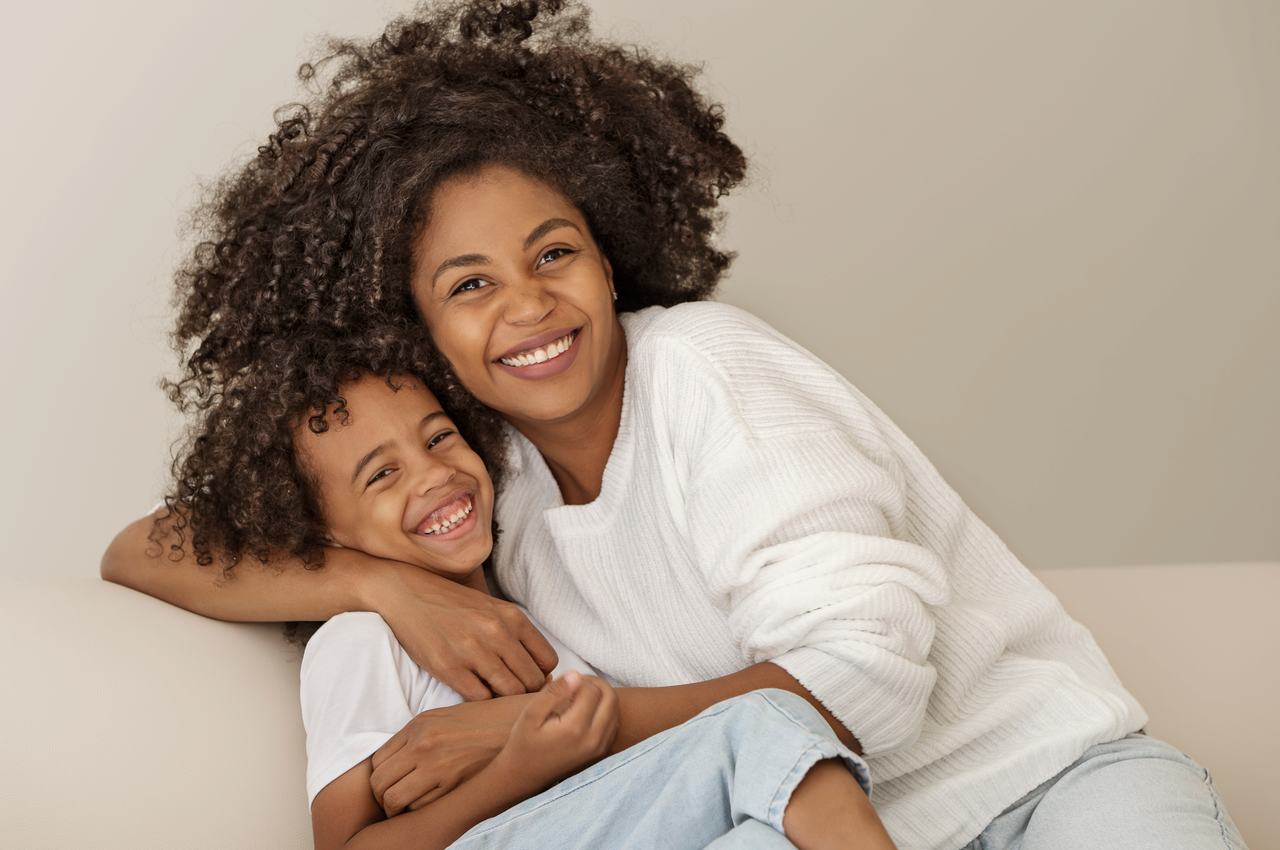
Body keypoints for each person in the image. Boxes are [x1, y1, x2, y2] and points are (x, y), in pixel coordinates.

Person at [102, 2, 1248, 848]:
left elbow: (866, 685)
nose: (528, 304)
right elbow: (142, 547)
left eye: (553, 253)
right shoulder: (483, 474)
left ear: (608, 255)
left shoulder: (703, 369)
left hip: (1045, 785)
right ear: (416, 335)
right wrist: (382, 587)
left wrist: (555, 732)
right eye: (468, 286)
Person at [161, 325, 891, 849]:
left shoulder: (535, 606)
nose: (433, 474)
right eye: (381, 475)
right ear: (326, 537)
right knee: (764, 722)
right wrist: (518, 766)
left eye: (438, 436)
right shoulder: (361, 641)